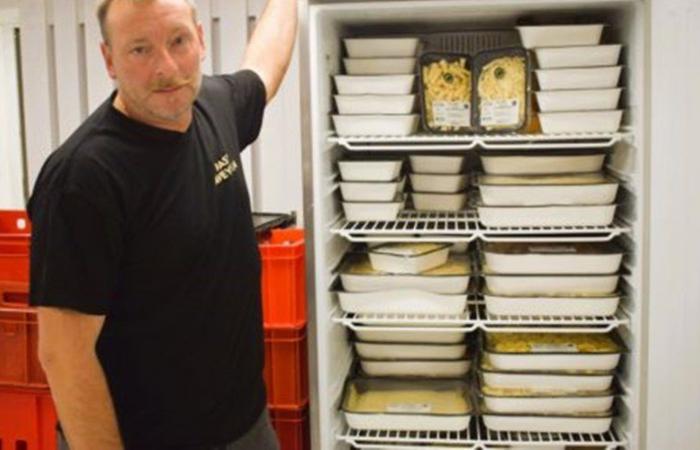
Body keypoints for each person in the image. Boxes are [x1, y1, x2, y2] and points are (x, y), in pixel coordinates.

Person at [26, 0, 297, 448]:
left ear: (200, 40)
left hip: (246, 426)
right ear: (109, 60)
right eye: (139, 50)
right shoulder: (84, 178)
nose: (166, 67)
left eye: (178, 41)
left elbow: (263, 70)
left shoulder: (214, 104)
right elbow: (64, 357)